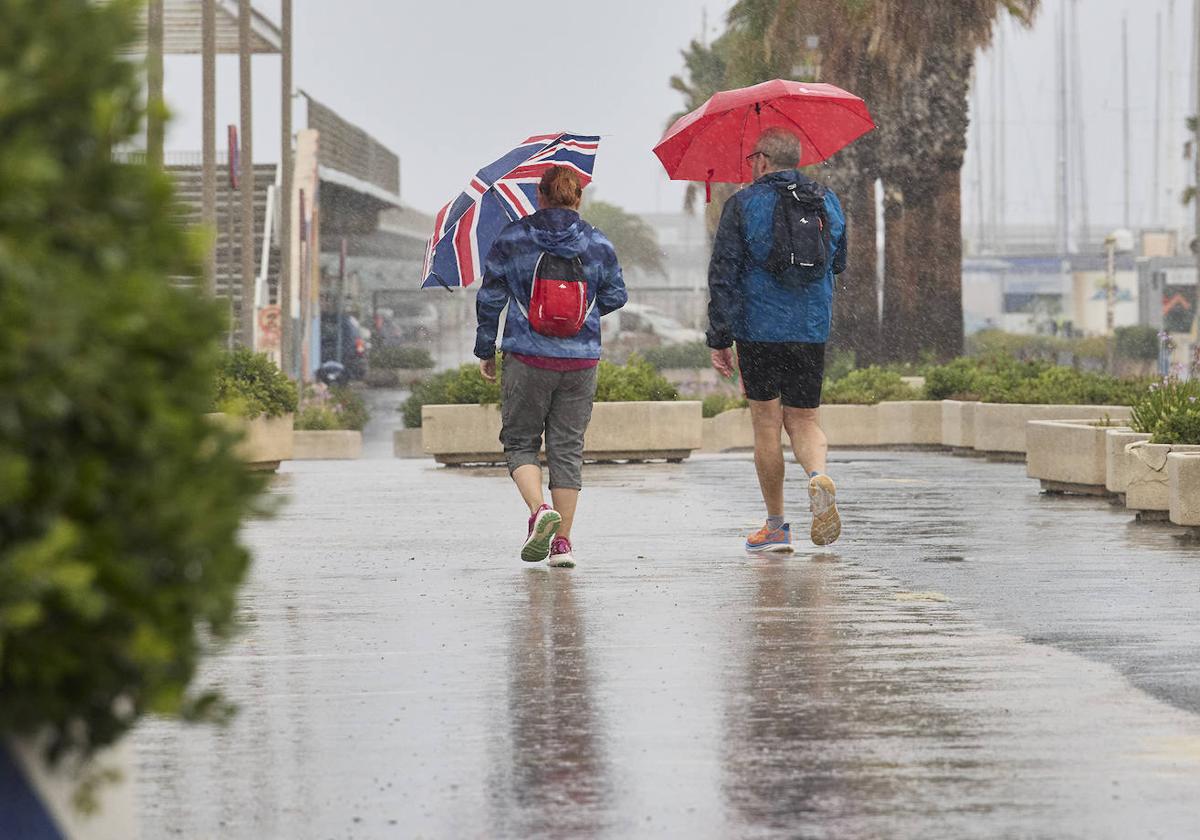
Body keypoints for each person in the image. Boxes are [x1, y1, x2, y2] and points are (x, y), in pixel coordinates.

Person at [475, 166, 628, 568]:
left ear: (539, 197)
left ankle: (539, 510)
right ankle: (562, 544)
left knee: (521, 442)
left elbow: (491, 298)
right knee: (566, 448)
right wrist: (580, 315)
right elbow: (616, 295)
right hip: (580, 359)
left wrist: (485, 349)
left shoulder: (513, 238)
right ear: (578, 198)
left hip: (527, 355)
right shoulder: (597, 241)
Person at [706, 127, 848, 552]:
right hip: (810, 328)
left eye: (752, 158)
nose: (750, 165)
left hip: (759, 330)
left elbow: (724, 274)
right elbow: (838, 261)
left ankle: (776, 526)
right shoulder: (827, 200)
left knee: (766, 424)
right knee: (805, 420)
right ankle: (817, 475)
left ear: (763, 160)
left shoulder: (743, 204)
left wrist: (720, 336)